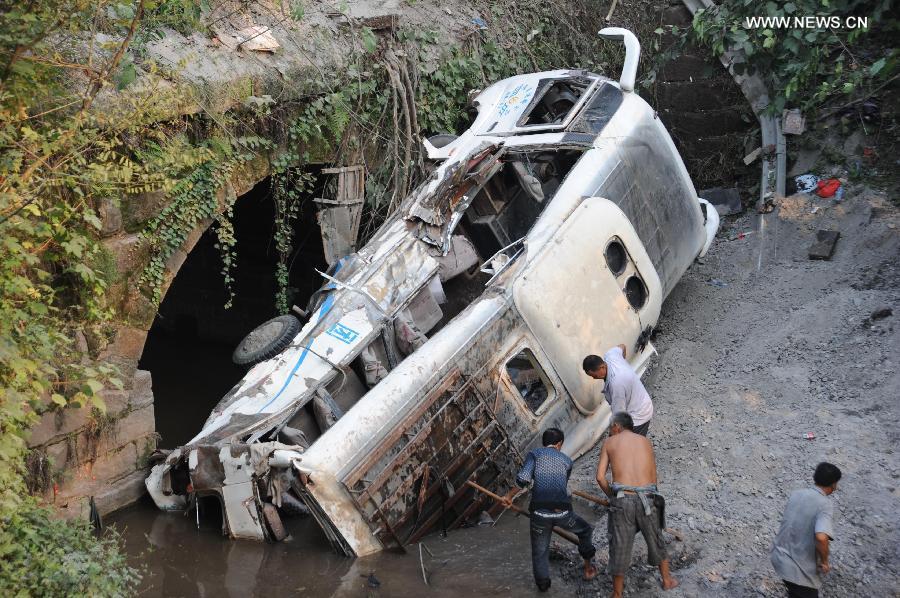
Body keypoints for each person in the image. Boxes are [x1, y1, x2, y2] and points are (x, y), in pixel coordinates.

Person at [501, 427, 597, 592]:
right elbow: (561, 486)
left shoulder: (534, 454)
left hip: (539, 515)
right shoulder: (567, 461)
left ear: (544, 443)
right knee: (585, 530)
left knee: (540, 551)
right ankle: (588, 566)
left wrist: (509, 497)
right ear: (559, 444)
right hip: (563, 514)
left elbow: (523, 479)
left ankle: (543, 587)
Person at [596, 412, 678, 597]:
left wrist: (612, 496)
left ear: (617, 425)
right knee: (656, 539)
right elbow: (654, 478)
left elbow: (600, 477)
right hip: (648, 499)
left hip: (623, 501)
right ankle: (667, 580)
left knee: (619, 545)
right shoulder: (645, 441)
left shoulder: (610, 443)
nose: (610, 432)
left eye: (610, 428)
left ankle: (617, 594)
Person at [770, 462, 842, 598]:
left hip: (778, 556)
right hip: (797, 569)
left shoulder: (796, 494)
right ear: (833, 484)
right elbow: (821, 537)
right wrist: (825, 561)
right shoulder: (825, 504)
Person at [583, 344, 654, 436]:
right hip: (639, 400)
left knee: (629, 446)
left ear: (602, 367)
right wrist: (623, 362)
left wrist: (613, 436)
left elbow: (619, 415)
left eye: (594, 375)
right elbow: (622, 346)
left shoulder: (616, 384)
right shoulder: (611, 355)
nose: (593, 378)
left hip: (638, 416)